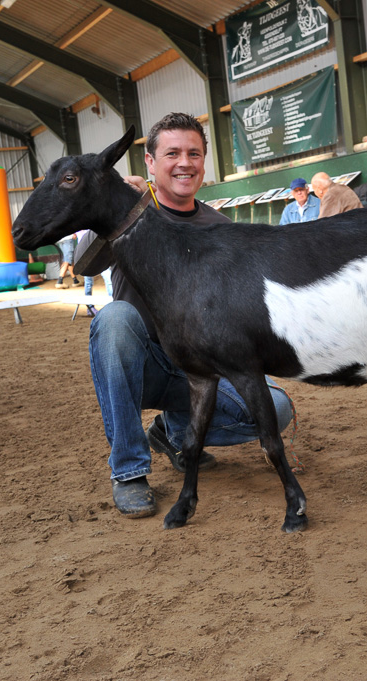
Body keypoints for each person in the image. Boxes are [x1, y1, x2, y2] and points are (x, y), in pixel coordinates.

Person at [73, 112, 294, 519]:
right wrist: (118, 204)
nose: (184, 163)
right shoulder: (131, 213)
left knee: (277, 409)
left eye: (194, 153)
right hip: (141, 362)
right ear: (150, 164)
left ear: (204, 163)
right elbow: (83, 264)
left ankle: (175, 431)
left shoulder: (220, 227)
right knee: (116, 318)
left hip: (199, 365)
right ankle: (129, 471)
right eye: (172, 153)